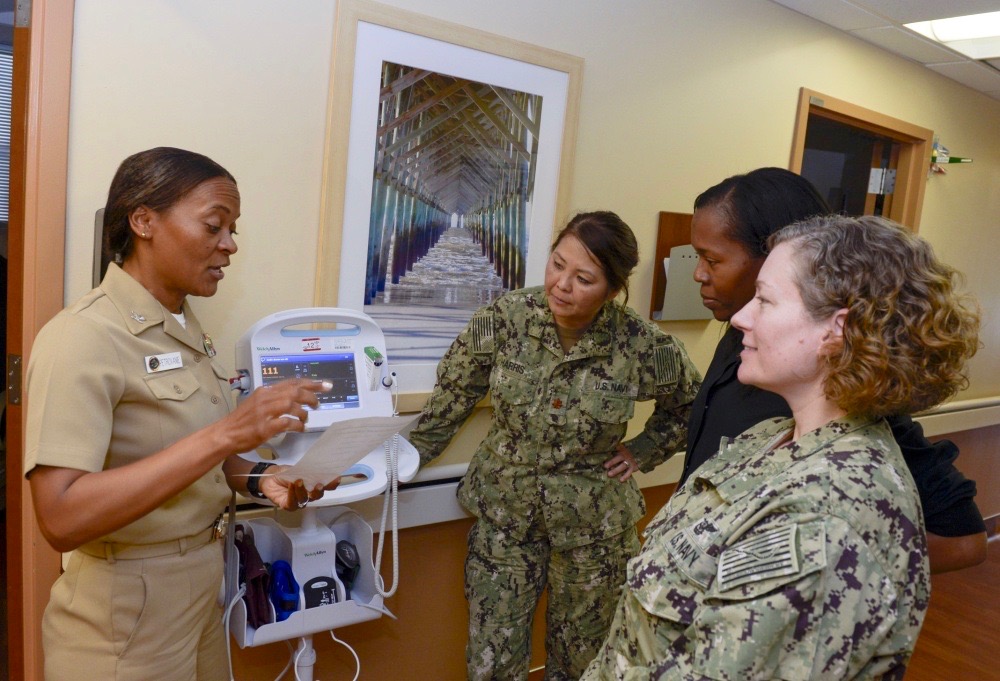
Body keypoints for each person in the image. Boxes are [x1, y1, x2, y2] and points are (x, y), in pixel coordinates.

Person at [584, 214, 981, 679]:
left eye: (765, 300)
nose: (740, 317)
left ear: (835, 331)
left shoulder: (825, 516)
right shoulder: (769, 437)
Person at [24, 147, 339, 681]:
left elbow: (199, 458)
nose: (230, 245)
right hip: (124, 610)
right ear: (144, 221)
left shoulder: (187, 331)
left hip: (200, 585)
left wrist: (266, 478)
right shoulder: (82, 337)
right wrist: (226, 434)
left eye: (233, 229)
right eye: (215, 225)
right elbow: (60, 516)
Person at [406, 211, 701, 680]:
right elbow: (454, 397)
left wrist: (643, 451)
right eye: (556, 264)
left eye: (583, 277)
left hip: (594, 529)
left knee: (582, 662)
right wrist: (399, 460)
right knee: (492, 660)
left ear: (613, 287)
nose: (561, 284)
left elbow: (690, 407)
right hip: (505, 517)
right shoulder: (504, 319)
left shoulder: (643, 345)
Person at [681, 167, 987, 573]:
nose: (699, 273)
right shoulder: (745, 341)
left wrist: (800, 562)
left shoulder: (842, 398)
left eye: (712, 259)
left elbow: (963, 540)